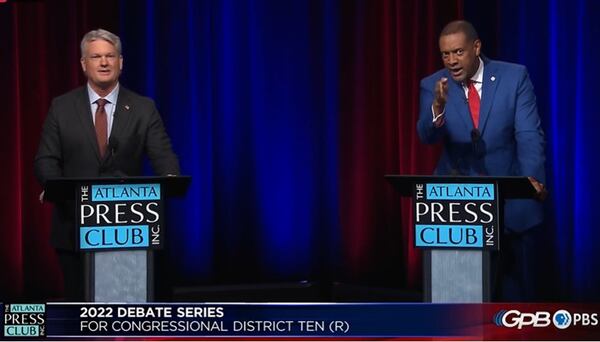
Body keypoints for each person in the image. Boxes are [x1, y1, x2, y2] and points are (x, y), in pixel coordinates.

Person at [34, 29, 180, 300]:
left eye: (110, 56)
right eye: (96, 56)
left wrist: (170, 177)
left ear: (120, 62)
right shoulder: (62, 107)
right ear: (83, 64)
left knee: (127, 312)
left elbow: (163, 154)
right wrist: (54, 187)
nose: (103, 62)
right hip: (75, 228)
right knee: (82, 315)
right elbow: (46, 160)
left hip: (128, 228)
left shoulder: (143, 107)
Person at [416, 20, 547, 301]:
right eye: (445, 54)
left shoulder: (514, 77)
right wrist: (437, 110)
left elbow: (528, 135)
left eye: (458, 52)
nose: (451, 61)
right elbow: (426, 136)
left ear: (476, 47)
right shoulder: (433, 86)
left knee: (515, 304)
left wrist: (531, 180)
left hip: (510, 206)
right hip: (457, 212)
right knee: (459, 307)